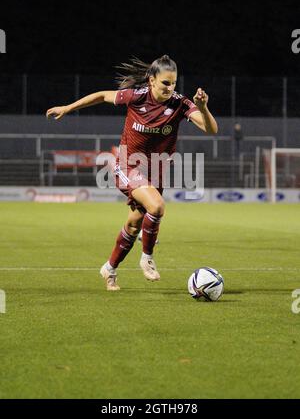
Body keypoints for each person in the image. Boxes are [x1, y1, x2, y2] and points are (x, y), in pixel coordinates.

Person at [46, 55, 218, 291]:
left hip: (154, 173)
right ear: (151, 80)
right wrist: (68, 108)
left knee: (134, 223)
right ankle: (147, 257)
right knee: (157, 207)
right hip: (128, 166)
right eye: (165, 83)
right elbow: (101, 95)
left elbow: (211, 129)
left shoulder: (180, 104)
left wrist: (203, 108)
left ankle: (110, 268)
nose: (170, 88)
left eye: (174, 83)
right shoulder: (136, 96)